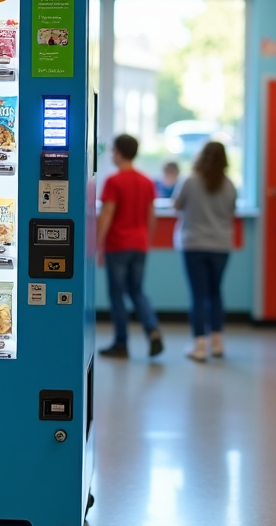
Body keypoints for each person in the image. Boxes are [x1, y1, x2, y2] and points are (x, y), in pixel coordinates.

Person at [97, 134, 164, 359]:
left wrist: (98, 245)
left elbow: (106, 214)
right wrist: (147, 240)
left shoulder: (114, 181)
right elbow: (151, 216)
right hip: (140, 244)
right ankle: (152, 330)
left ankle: (121, 343)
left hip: (118, 245)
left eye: (113, 150)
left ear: (119, 152)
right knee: (137, 291)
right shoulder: (146, 181)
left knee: (117, 295)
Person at [173, 142, 237, 362]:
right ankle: (217, 342)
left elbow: (177, 206)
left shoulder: (189, 181)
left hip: (193, 244)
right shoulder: (229, 184)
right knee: (216, 292)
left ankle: (199, 344)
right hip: (221, 245)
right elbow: (231, 211)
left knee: (198, 295)